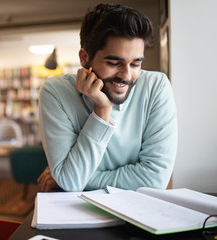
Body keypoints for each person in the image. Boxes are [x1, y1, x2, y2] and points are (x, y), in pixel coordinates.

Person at [37, 3, 178, 192]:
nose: (126, 76)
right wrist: (102, 111)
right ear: (84, 57)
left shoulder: (156, 87)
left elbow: (154, 180)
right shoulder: (55, 93)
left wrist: (75, 179)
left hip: (140, 214)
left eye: (135, 64)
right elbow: (70, 181)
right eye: (113, 63)